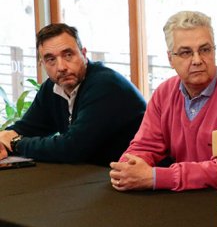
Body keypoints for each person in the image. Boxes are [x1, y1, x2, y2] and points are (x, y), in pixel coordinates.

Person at [109, 11, 217, 191]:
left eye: (205, 50)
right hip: (182, 199)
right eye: (186, 53)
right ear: (170, 59)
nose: (197, 60)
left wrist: (157, 177)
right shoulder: (163, 93)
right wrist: (128, 167)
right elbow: (145, 145)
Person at [0, 23, 146, 165]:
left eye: (68, 55)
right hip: (95, 174)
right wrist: (4, 141)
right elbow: (27, 128)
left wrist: (15, 143)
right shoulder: (53, 87)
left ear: (83, 54)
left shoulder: (106, 85)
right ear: (42, 64)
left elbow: (72, 148)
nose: (61, 67)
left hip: (138, 177)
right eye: (51, 60)